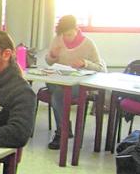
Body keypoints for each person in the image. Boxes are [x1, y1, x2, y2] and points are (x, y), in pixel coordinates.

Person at [45, 15, 106, 149]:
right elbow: (49, 62)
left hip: (79, 83)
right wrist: (53, 56)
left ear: (76, 30)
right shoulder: (57, 39)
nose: (66, 38)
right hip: (59, 79)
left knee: (58, 95)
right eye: (63, 35)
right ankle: (65, 128)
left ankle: (62, 132)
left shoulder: (88, 43)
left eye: (69, 34)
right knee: (55, 88)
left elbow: (101, 69)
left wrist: (85, 63)